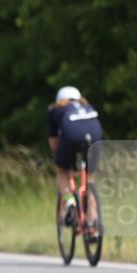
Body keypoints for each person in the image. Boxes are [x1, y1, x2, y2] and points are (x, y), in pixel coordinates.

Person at [47, 86, 102, 228]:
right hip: (95, 133)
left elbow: (54, 144)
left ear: (59, 99)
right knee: (90, 176)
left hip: (72, 133)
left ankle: (69, 200)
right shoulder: (87, 105)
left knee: (62, 172)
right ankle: (93, 222)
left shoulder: (55, 109)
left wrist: (61, 160)